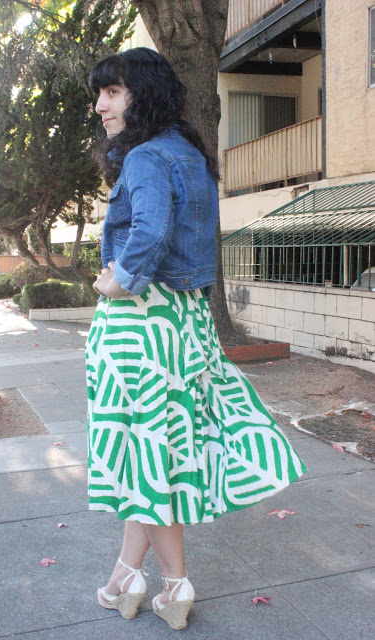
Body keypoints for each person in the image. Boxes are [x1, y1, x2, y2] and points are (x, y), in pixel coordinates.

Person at [85, 47, 307, 631]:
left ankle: (177, 585)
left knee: (148, 454)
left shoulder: (143, 158)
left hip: (141, 325)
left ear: (143, 93)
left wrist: (117, 282)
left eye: (112, 91)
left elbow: (150, 232)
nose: (101, 105)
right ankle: (125, 579)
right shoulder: (191, 156)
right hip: (185, 322)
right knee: (151, 453)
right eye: (99, 94)